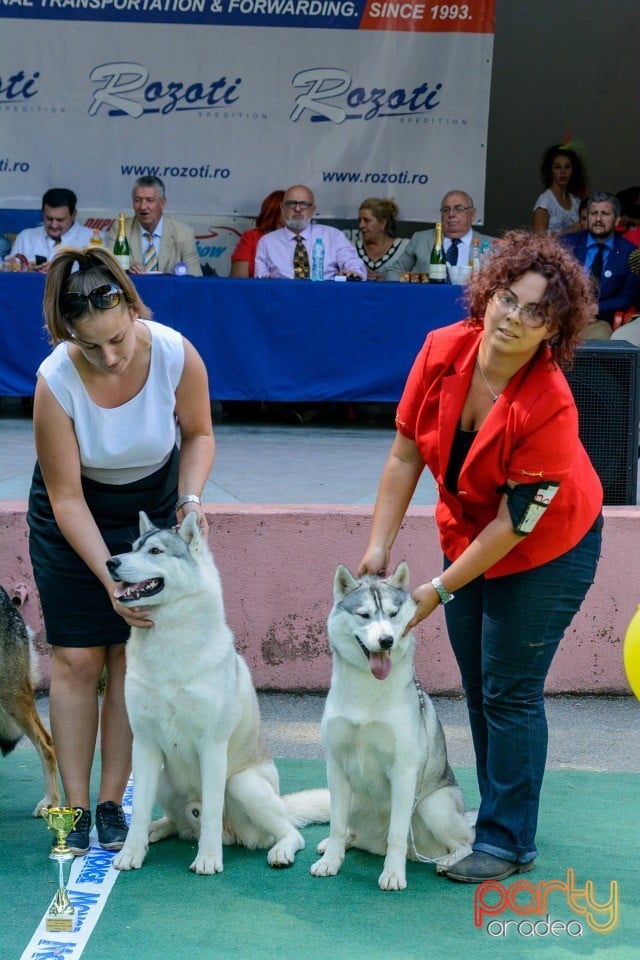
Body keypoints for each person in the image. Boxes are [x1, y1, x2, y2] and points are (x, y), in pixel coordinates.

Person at [358, 230, 602, 883]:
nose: (512, 319)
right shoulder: (443, 347)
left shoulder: (550, 402)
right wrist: (379, 543)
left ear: (554, 330)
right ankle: (496, 816)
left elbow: (514, 525)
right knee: (479, 683)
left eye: (534, 313)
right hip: (466, 532)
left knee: (510, 690)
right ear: (487, 291)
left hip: (546, 545)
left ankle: (507, 841)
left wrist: (434, 590)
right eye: (506, 299)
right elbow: (407, 450)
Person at [27, 246, 214, 855]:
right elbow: (66, 497)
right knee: (79, 661)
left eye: (117, 340)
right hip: (72, 517)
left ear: (134, 309)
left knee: (130, 660)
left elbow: (200, 434)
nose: (109, 358)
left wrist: (189, 500)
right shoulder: (54, 382)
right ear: (70, 339)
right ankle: (74, 809)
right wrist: (110, 583)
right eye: (90, 348)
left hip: (151, 512)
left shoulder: (176, 354)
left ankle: (113, 804)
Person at [563, 192, 639, 337]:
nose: (598, 219)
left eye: (605, 214)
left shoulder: (631, 253)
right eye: (593, 213)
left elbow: (629, 296)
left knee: (600, 337)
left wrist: (597, 308)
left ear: (617, 220)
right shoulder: (566, 243)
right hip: (561, 316)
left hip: (598, 320)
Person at [254, 185, 367, 280]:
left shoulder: (333, 236)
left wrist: (353, 272)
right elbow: (260, 280)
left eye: (304, 204)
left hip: (326, 299)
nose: (298, 209)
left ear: (313, 210)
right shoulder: (266, 242)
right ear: (282, 208)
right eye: (291, 204)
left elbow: (353, 264)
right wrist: (266, 279)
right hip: (283, 300)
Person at [384, 190, 493, 281]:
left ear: (472, 214)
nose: (451, 214)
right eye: (446, 210)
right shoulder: (420, 239)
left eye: (459, 209)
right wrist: (419, 279)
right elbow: (393, 273)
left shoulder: (493, 246)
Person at [107, 176, 202, 276]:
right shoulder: (120, 228)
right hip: (131, 290)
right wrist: (126, 267)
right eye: (138, 200)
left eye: (150, 200)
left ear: (162, 202)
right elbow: (109, 267)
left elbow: (195, 279)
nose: (143, 207)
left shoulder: (184, 233)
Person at [9, 188, 93, 271]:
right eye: (49, 218)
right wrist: (24, 269)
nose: (54, 225)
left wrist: (59, 272)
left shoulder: (92, 238)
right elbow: (8, 271)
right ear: (42, 213)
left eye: (60, 220)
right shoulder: (25, 236)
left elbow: (95, 276)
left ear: (73, 215)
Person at [532, 144, 587, 236]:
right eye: (557, 167)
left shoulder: (576, 200)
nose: (563, 171)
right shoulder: (544, 201)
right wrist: (568, 231)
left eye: (567, 167)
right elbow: (539, 242)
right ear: (550, 171)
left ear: (573, 170)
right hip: (553, 250)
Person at [229, 190, 285, 278]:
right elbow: (238, 279)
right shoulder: (252, 237)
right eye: (291, 209)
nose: (297, 212)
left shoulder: (301, 238)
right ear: (275, 212)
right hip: (256, 291)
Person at [356, 197, 407, 280]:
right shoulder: (350, 249)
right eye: (360, 221)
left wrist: (390, 277)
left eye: (366, 220)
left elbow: (419, 277)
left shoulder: (405, 248)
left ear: (382, 223)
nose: (361, 225)